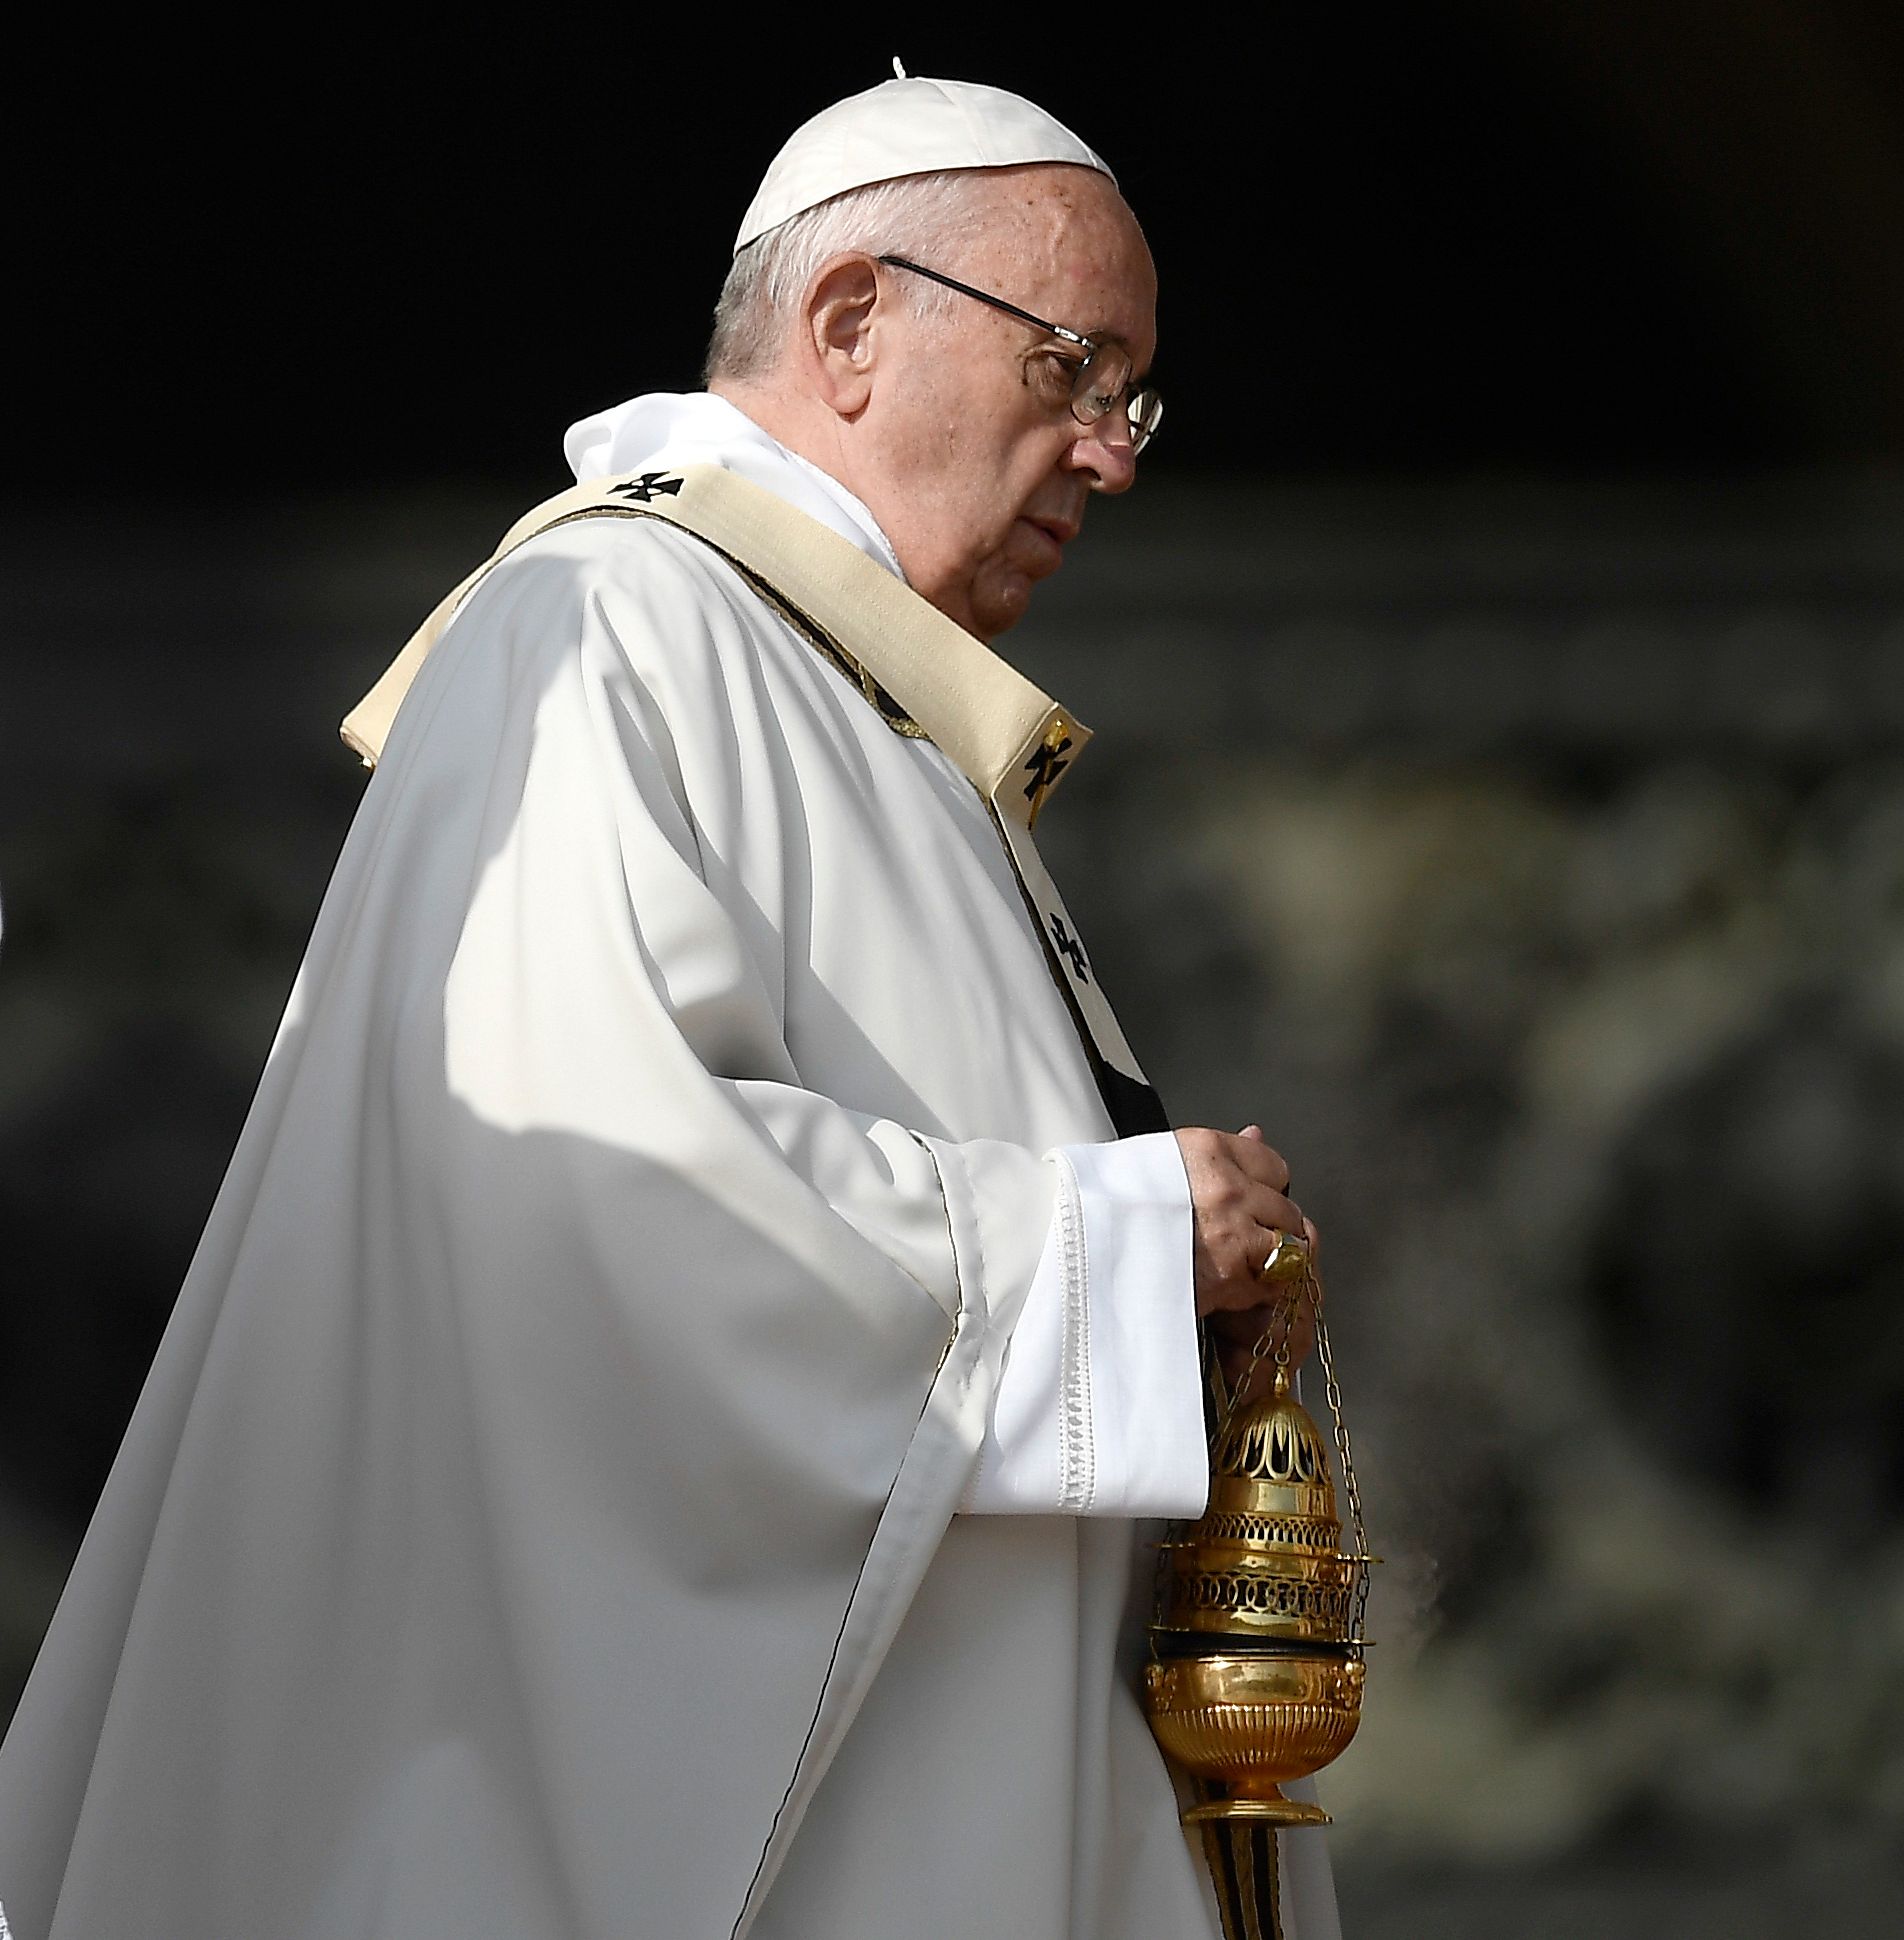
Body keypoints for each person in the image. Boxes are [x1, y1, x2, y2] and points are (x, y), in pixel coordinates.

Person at [0, 72, 1338, 1940]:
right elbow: (585, 1205)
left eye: (1136, 398)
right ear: (850, 323)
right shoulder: (609, 626)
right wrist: (1107, 1249)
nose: (1113, 455)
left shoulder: (858, 696)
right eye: (1072, 370)